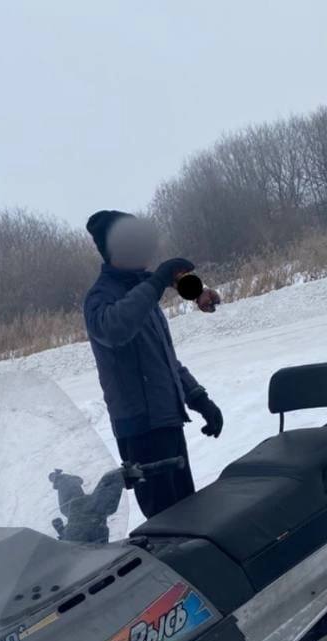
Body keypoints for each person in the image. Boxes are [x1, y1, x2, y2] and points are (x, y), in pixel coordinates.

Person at [83, 210, 223, 519]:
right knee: (166, 526)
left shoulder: (143, 291)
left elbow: (165, 360)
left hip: (167, 421)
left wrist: (200, 399)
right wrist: (159, 280)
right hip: (140, 432)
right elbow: (116, 329)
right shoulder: (99, 299)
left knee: (191, 515)